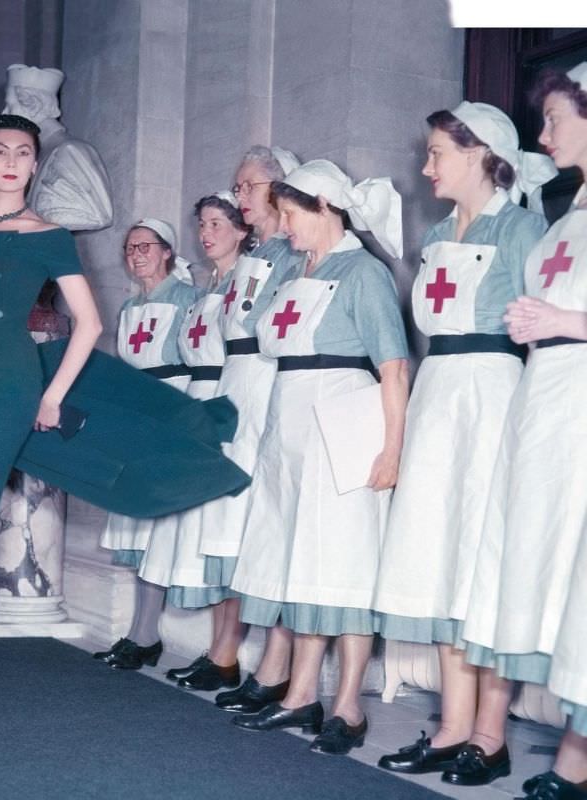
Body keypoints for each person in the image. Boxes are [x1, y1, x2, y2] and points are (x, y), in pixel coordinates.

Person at [0, 113, 248, 718]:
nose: (11, 161)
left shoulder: (51, 235)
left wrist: (52, 396)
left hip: (9, 387)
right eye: (0, 150)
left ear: (32, 163)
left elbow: (91, 323)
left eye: (23, 152)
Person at [374, 102, 553, 786]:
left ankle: (490, 734)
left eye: (437, 154)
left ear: (480, 154)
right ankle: (452, 727)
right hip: (440, 395)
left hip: (494, 396)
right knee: (444, 557)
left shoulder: (524, 229)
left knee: (486, 561)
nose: (426, 167)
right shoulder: (438, 232)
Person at [228, 160, 408, 755]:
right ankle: (300, 693)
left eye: (293, 212)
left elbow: (393, 367)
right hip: (290, 432)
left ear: (326, 206)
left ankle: (348, 706)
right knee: (297, 566)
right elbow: (254, 327)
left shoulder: (364, 273)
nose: (283, 224)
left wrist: (391, 449)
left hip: (343, 428)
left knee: (345, 569)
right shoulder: (292, 268)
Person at [462, 63, 587, 800]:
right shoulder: (567, 211)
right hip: (546, 403)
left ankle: (573, 764)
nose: (543, 135)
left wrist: (565, 322)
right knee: (537, 568)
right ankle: (511, 737)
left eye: (554, 119)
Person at [199, 145, 304, 701]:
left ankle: (276, 664)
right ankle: (230, 653)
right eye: (236, 187)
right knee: (235, 528)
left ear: (278, 189)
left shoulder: (293, 250)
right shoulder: (252, 254)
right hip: (236, 389)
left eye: (248, 187)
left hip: (269, 389)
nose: (240, 196)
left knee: (270, 526)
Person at [137, 192, 252, 684]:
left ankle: (227, 652)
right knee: (211, 533)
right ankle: (217, 650)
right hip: (200, 406)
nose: (206, 234)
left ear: (242, 228)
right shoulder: (208, 284)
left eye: (217, 224)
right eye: (201, 224)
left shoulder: (248, 279)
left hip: (233, 405)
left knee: (232, 532)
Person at [93, 218, 199, 670]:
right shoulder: (130, 307)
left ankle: (145, 635)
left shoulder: (188, 299)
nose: (136, 255)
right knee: (140, 530)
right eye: (130, 249)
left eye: (145, 247)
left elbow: (196, 363)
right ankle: (142, 632)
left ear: (167, 252)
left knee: (160, 530)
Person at [2, 64, 112, 231]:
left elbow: (97, 217)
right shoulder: (41, 155)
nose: (4, 113)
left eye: (10, 105)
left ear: (33, 105)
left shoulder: (68, 152)